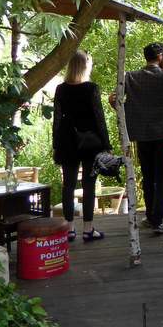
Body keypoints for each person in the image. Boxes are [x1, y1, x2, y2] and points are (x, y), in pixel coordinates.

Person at [114, 42, 163, 235]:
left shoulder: (131, 77)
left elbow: (117, 99)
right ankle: (158, 219)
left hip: (142, 133)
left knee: (148, 175)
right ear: (161, 56)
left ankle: (150, 215)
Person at [52, 50, 111, 242]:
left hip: (67, 141)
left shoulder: (61, 89)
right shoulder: (91, 88)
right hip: (90, 142)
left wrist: (56, 143)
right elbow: (99, 118)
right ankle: (88, 229)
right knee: (89, 184)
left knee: (68, 185)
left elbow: (57, 120)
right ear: (86, 66)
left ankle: (69, 228)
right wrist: (106, 143)